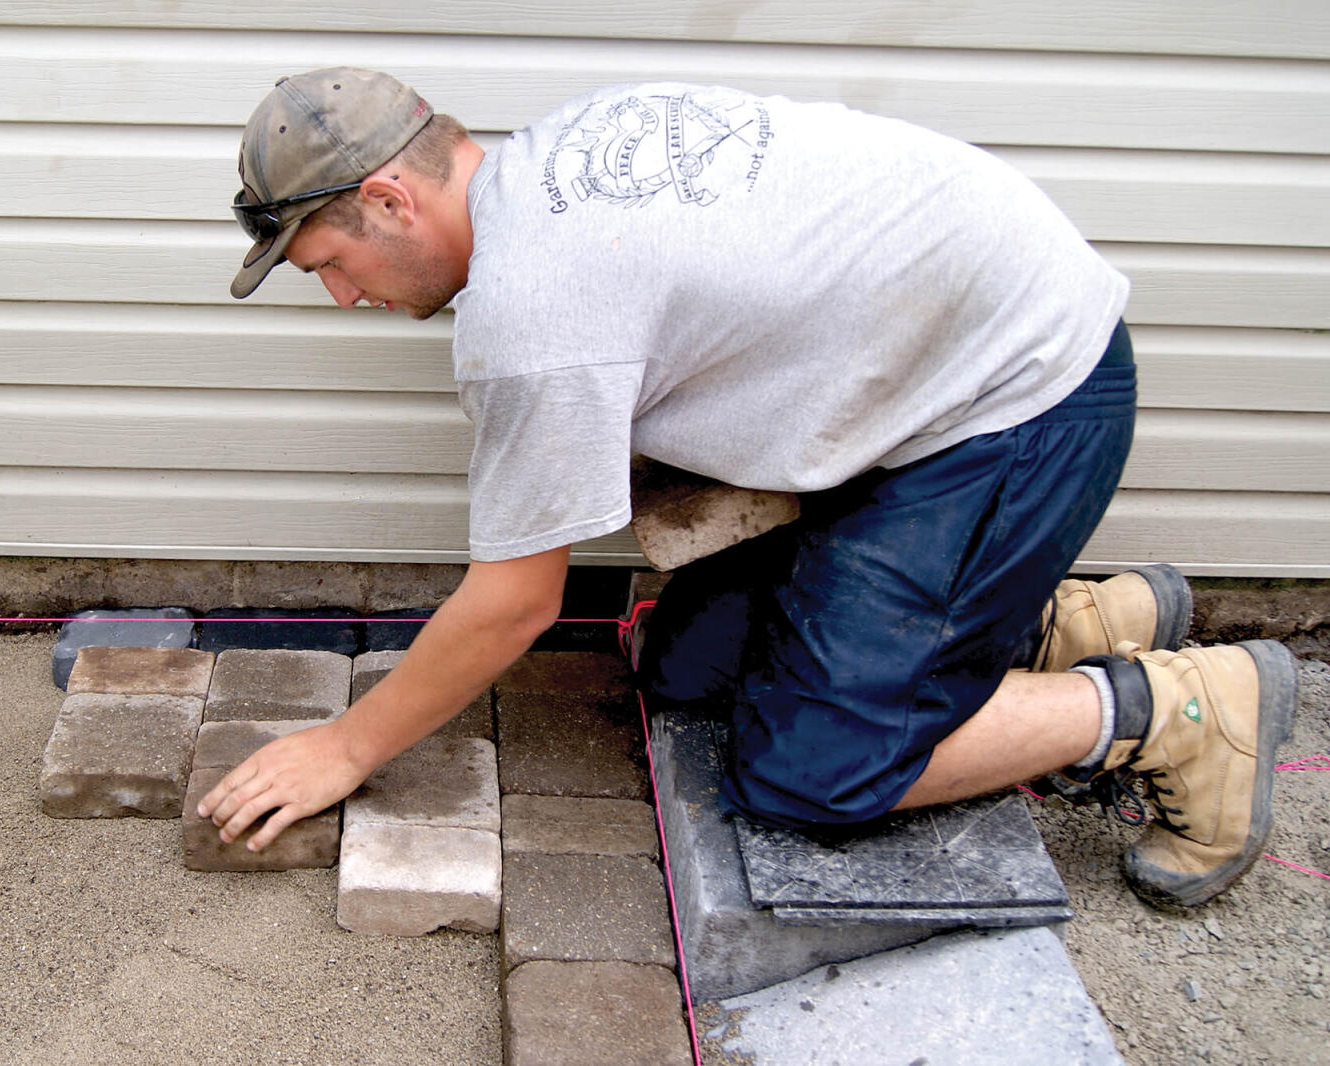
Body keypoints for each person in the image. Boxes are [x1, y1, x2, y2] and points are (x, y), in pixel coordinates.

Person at [199, 67, 1297, 908]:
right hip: (911, 399)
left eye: (328, 264)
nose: (343, 298)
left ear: (389, 199)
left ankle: (1177, 711)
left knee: (809, 770)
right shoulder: (551, 156)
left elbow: (514, 604)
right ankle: (1058, 621)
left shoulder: (533, 312)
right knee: (689, 670)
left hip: (1017, 402)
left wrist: (344, 746)